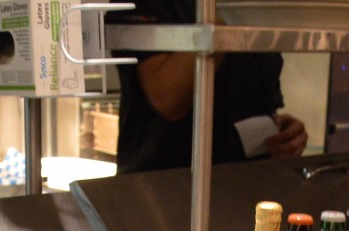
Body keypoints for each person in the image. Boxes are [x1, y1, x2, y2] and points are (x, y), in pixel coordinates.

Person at [110, 0, 307, 174]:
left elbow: (256, 103)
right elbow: (167, 99)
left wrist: (283, 134)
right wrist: (228, 19)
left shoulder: (254, 9)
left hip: (249, 183)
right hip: (164, 187)